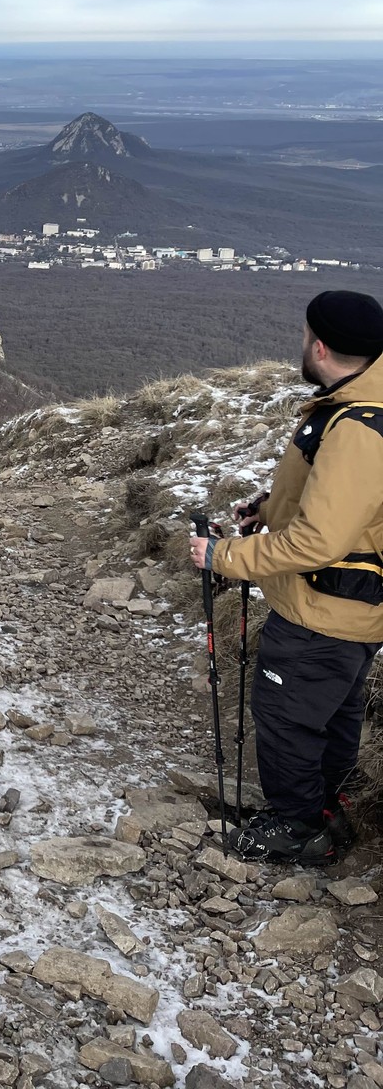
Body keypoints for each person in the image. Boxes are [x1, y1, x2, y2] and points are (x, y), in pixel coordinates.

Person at [189, 289, 383, 865]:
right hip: (350, 612)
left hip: (322, 613)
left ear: (319, 346)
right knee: (333, 714)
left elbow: (321, 540)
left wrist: (223, 557)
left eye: (304, 336)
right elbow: (338, 504)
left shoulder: (356, 428)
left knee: (287, 718)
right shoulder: (356, 399)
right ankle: (328, 808)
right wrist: (268, 510)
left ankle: (298, 828)